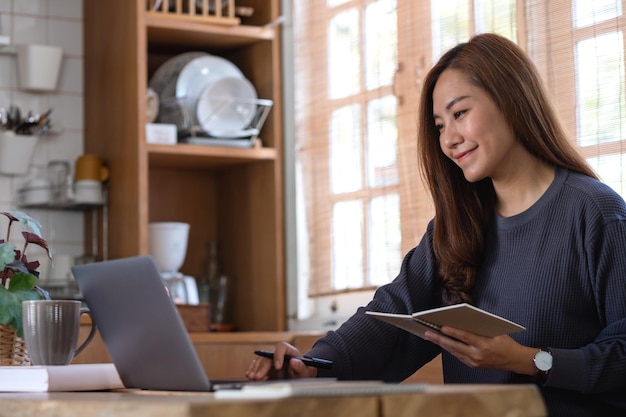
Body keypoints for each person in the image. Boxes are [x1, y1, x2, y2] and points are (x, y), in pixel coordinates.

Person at [246, 33, 626, 416]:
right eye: (440, 125)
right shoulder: (456, 227)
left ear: (511, 99)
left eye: (460, 114)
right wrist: (311, 365)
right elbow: (393, 316)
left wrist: (527, 360)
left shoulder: (596, 213)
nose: (449, 140)